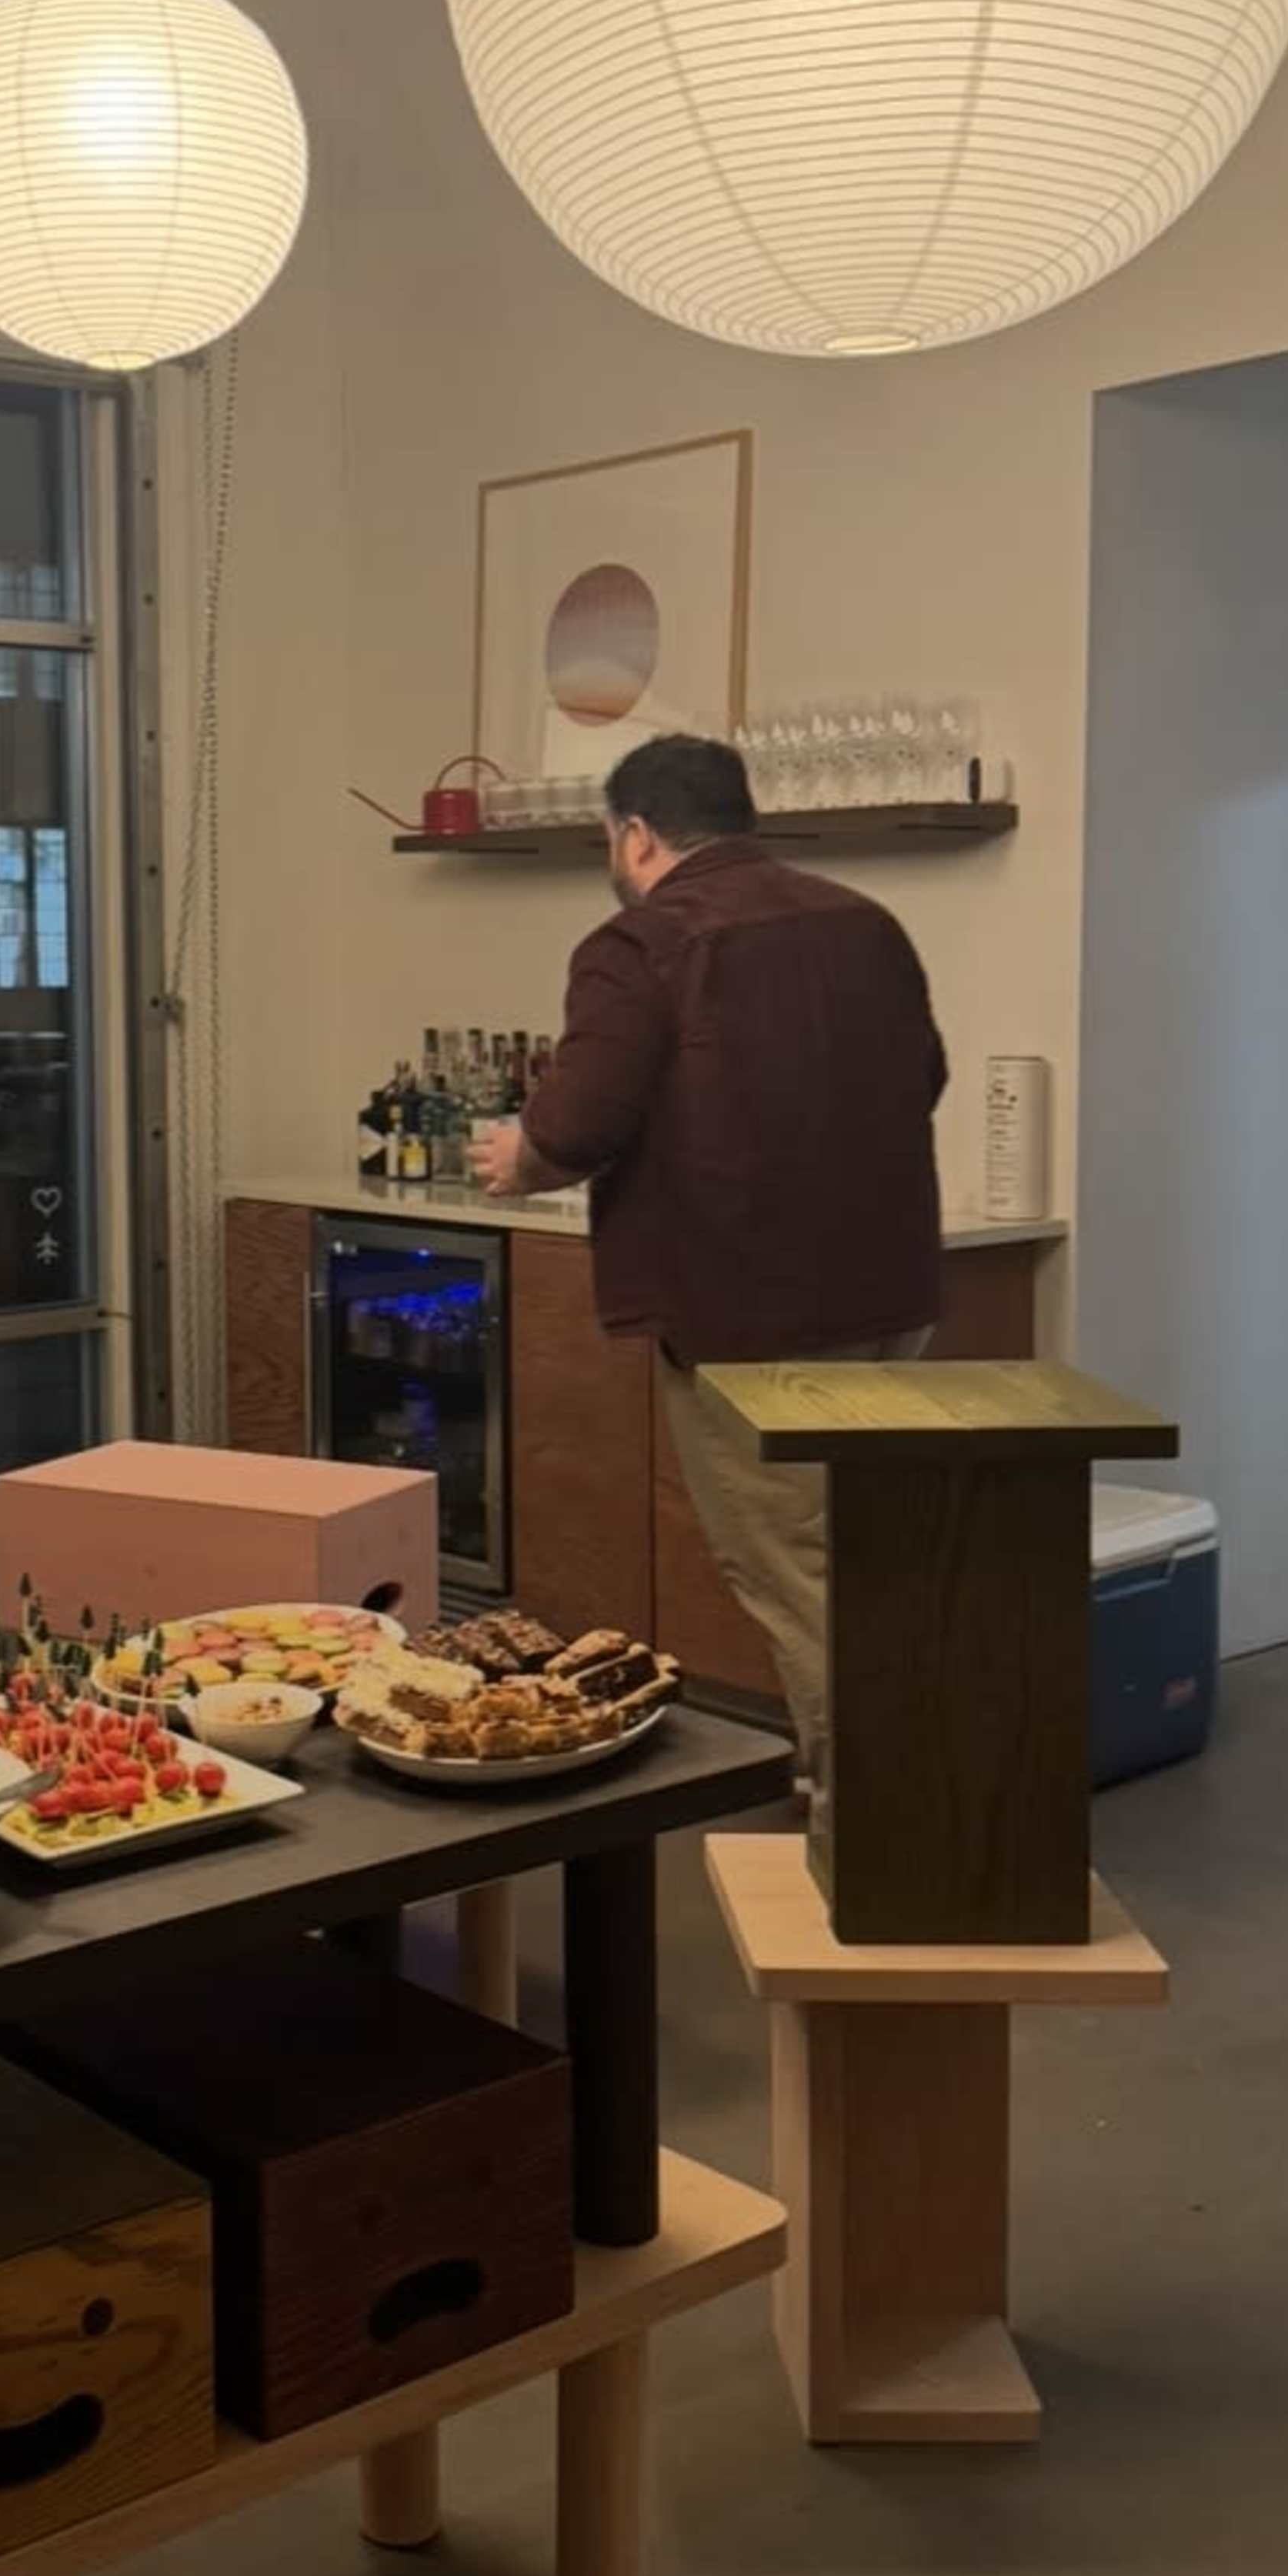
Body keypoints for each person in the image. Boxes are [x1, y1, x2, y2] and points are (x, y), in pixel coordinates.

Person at [471, 732, 946, 1814]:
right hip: (890, 1295)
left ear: (637, 834)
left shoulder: (640, 942)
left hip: (747, 1315)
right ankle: (904, 1785)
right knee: (865, 1547)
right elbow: (924, 1075)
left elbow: (578, 1124)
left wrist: (518, 1157)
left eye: (610, 837)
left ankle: (879, 1813)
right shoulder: (866, 923)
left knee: (792, 1566)